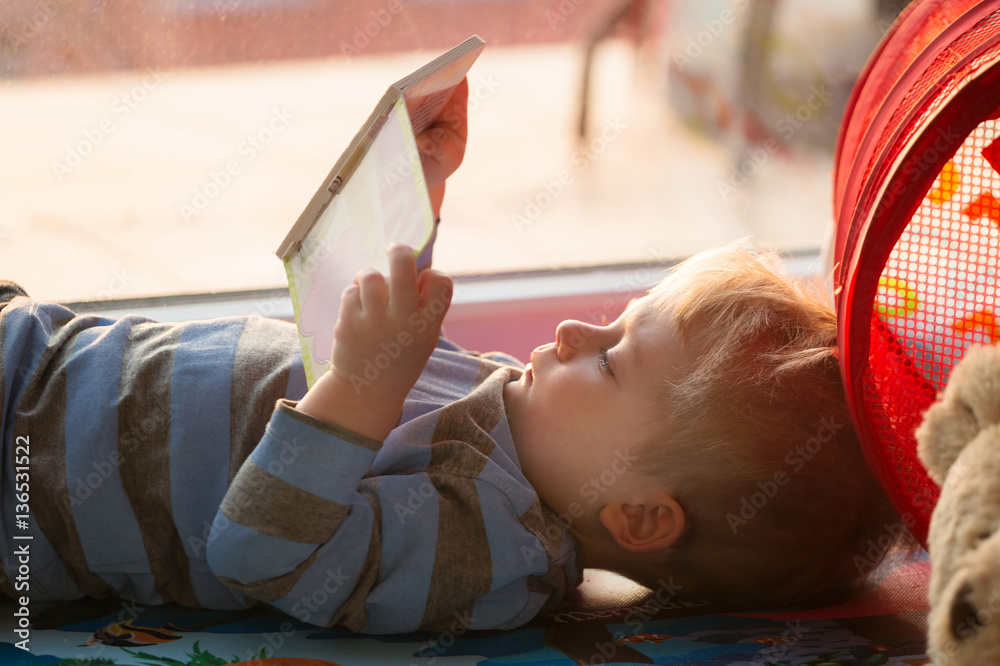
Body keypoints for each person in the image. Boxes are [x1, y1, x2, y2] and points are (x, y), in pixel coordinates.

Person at [0, 79, 902, 634]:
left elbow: (260, 550)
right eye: (618, 322)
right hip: (45, 351)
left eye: (614, 362)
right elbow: (372, 337)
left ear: (639, 516)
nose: (578, 335)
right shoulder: (513, 415)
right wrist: (410, 200)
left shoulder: (483, 551)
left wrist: (359, 389)